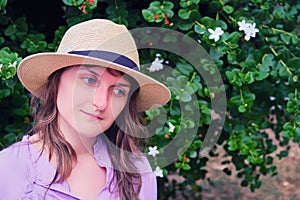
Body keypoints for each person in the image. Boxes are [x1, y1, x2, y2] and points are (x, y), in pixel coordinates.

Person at [0, 19, 170, 200]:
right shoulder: (9, 169)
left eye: (119, 91)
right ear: (56, 81)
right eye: (89, 80)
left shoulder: (137, 173)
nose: (101, 103)